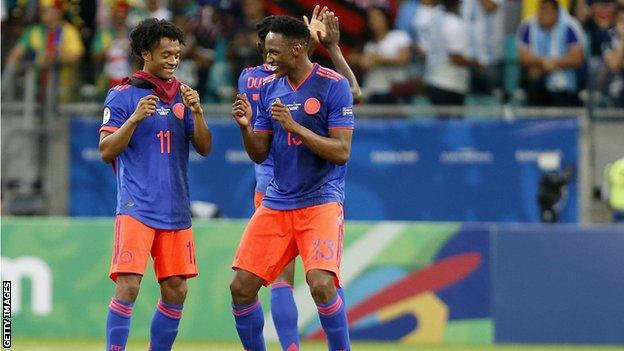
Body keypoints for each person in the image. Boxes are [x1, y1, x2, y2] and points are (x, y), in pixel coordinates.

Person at [236, 7, 360, 350]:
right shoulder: (270, 90)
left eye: (273, 50)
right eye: (265, 51)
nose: (267, 58)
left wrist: (295, 128)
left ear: (296, 49)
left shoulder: (332, 85)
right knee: (240, 288)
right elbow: (260, 153)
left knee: (321, 284)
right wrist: (246, 128)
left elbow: (341, 151)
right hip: (277, 200)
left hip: (320, 200)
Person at [98, 18, 212, 351]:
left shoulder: (183, 97)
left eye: (177, 54)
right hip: (137, 207)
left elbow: (205, 147)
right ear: (146, 53)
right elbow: (106, 150)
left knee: (176, 289)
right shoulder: (122, 94)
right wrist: (133, 119)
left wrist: (199, 113)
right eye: (166, 53)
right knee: (129, 285)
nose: (174, 60)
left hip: (176, 210)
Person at [5, 0, 85, 102]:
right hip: (35, 92)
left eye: (46, 9)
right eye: (41, 9)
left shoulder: (69, 31)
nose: (42, 12)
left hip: (62, 94)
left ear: (58, 11)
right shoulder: (33, 30)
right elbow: (16, 53)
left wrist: (57, 57)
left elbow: (76, 56)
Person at [517, 0, 585, 106]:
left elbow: (577, 59)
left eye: (547, 12)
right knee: (531, 77)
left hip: (564, 87)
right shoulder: (528, 25)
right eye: (541, 11)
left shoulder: (570, 26)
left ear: (556, 13)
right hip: (536, 84)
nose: (542, 15)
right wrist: (543, 62)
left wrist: (551, 65)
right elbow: (523, 57)